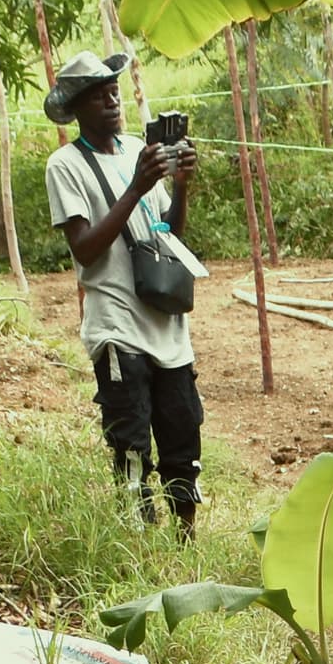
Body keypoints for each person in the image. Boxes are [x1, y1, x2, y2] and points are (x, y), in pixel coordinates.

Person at [44, 51, 203, 532]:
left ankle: (185, 544)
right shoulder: (65, 165)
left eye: (113, 92)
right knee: (131, 449)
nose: (112, 102)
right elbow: (85, 249)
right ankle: (139, 546)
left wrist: (180, 185)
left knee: (183, 443)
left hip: (168, 327)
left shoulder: (138, 149)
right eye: (99, 97)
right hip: (118, 326)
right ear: (76, 109)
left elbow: (169, 232)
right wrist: (135, 185)